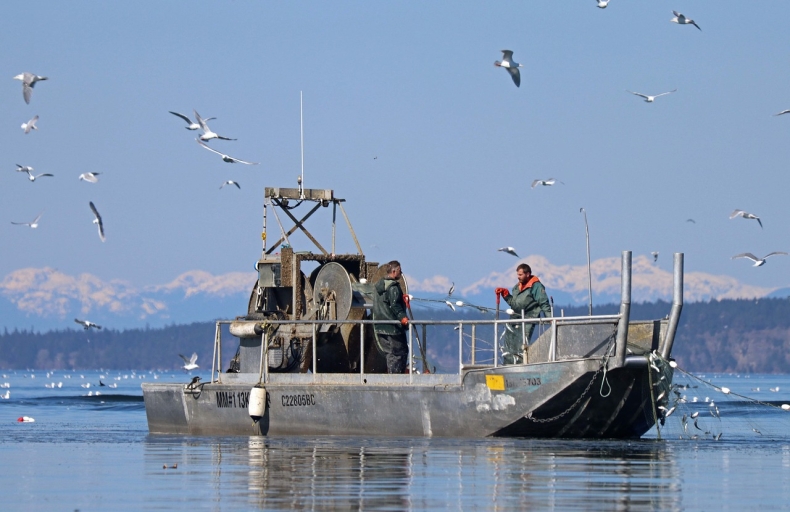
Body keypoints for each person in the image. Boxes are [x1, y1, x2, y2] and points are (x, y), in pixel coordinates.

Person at [495, 263, 551, 365]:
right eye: (518, 274)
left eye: (520, 275)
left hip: (528, 320)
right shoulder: (516, 287)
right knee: (509, 345)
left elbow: (544, 302)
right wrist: (506, 295)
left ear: (527, 274)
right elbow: (515, 304)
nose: (518, 277)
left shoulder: (536, 286)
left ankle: (520, 365)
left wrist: (550, 318)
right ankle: (508, 365)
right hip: (514, 319)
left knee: (521, 345)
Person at [372, 260, 410, 374]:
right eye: (399, 270)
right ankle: (397, 378)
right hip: (393, 328)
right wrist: (403, 317)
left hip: (379, 327)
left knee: (390, 354)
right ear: (394, 271)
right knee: (400, 352)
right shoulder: (393, 287)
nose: (401, 272)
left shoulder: (378, 286)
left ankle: (391, 376)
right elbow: (395, 305)